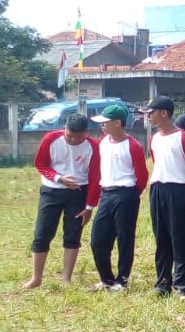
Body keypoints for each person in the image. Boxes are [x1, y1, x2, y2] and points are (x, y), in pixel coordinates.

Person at [25, 113, 98, 289]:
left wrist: (89, 207)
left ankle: (66, 278)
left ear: (86, 133)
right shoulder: (51, 139)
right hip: (52, 191)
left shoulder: (92, 147)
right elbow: (41, 164)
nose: (73, 140)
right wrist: (59, 178)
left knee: (73, 234)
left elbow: (95, 177)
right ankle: (36, 278)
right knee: (42, 233)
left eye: (78, 137)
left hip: (79, 193)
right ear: (64, 128)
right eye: (69, 135)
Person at [83, 103, 148, 291]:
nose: (102, 125)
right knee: (98, 239)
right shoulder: (103, 142)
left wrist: (131, 195)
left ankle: (122, 280)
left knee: (124, 238)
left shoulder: (132, 146)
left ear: (118, 123)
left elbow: (141, 175)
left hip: (126, 193)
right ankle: (106, 279)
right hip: (106, 193)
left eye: (106, 122)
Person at [142, 96, 185, 296]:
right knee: (161, 237)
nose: (148, 117)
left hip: (179, 189)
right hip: (158, 188)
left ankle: (183, 283)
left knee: (179, 237)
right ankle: (163, 281)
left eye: (151, 112)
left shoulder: (184, 138)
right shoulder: (154, 138)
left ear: (164, 113)